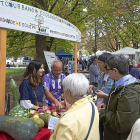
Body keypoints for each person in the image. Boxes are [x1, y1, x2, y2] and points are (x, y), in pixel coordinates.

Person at [99, 54, 140, 140]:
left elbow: (121, 124)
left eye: (108, 69)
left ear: (115, 71)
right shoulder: (119, 83)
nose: (107, 72)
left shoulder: (129, 92)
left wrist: (102, 113)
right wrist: (108, 108)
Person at [50, 73, 99, 140]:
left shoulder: (67, 121)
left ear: (69, 92)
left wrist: (53, 135)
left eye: (65, 90)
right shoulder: (91, 104)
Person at [88, 53, 114, 140]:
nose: (98, 64)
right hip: (98, 109)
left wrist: (104, 95)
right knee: (98, 132)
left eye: (100, 62)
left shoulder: (114, 76)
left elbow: (116, 96)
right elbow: (99, 90)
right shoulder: (102, 75)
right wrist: (93, 88)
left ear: (106, 63)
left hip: (107, 110)